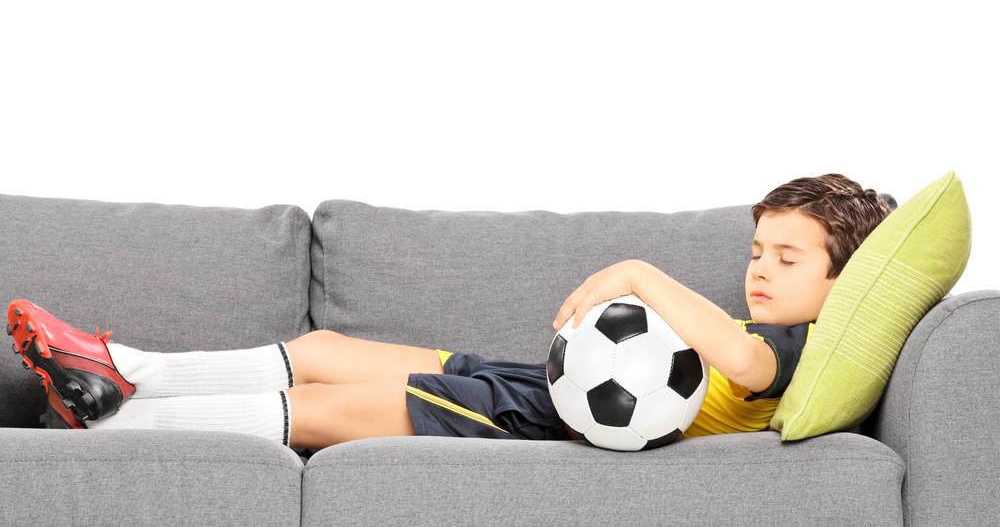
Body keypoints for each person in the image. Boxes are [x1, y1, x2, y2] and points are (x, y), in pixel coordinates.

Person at [5, 174, 896, 451]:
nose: (762, 272)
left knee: (318, 412)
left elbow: (744, 371)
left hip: (540, 423)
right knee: (322, 344)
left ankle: (98, 424)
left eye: (789, 258)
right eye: (756, 252)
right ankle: (126, 373)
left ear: (842, 277)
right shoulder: (760, 324)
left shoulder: (794, 344)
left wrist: (637, 270)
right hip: (533, 385)